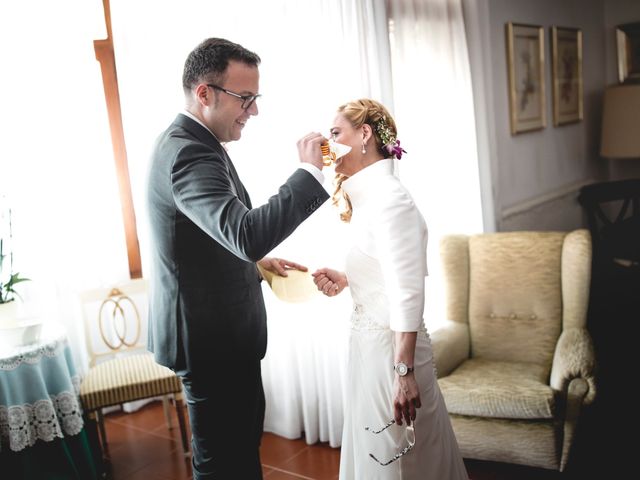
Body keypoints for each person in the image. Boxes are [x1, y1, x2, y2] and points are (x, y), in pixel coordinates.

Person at [145, 38, 329, 479]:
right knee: (221, 464)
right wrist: (308, 174)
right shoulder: (188, 152)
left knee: (242, 450)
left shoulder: (198, 142)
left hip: (222, 336)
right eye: (244, 98)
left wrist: (258, 264)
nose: (254, 110)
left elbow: (209, 236)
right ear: (204, 93)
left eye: (255, 97)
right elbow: (244, 233)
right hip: (209, 343)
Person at [312, 99, 468, 479]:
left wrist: (403, 371)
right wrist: (352, 278)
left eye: (335, 134)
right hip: (369, 353)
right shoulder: (371, 198)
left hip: (392, 358)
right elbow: (388, 270)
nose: (327, 145)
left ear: (364, 134)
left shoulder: (390, 200)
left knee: (406, 464)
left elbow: (408, 291)